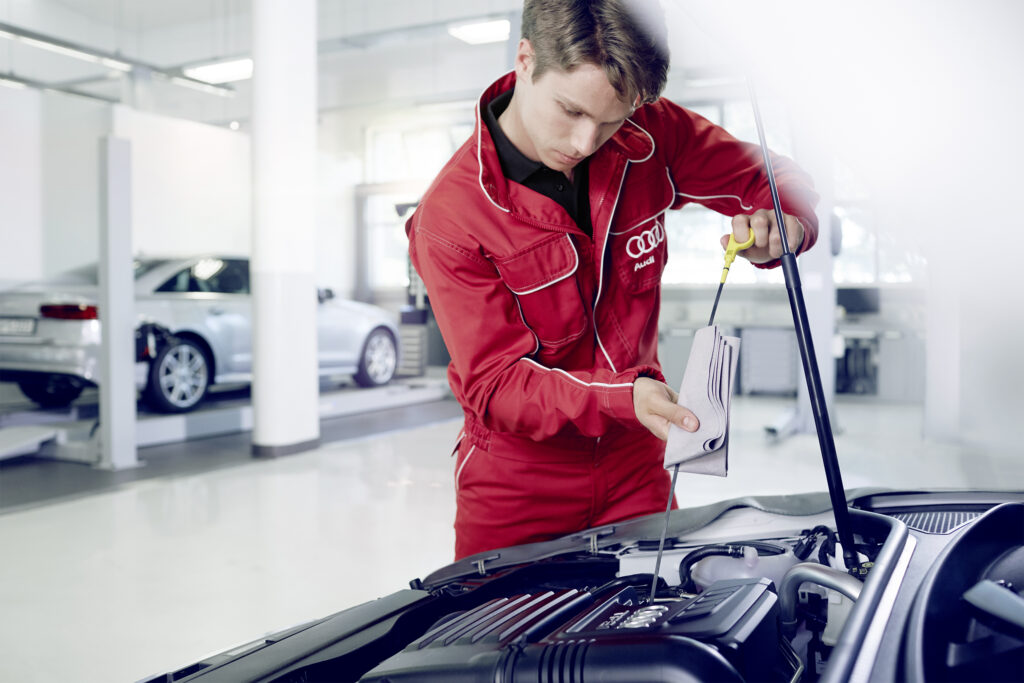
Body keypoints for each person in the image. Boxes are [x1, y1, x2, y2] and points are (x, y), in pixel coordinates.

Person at [406, 0, 819, 560]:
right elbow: (495, 384)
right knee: (504, 642)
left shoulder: (651, 133)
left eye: (610, 120)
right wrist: (624, 397)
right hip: (520, 482)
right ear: (526, 60)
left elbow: (777, 179)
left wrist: (786, 225)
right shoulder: (452, 218)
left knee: (650, 626)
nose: (585, 143)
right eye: (570, 111)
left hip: (637, 461)